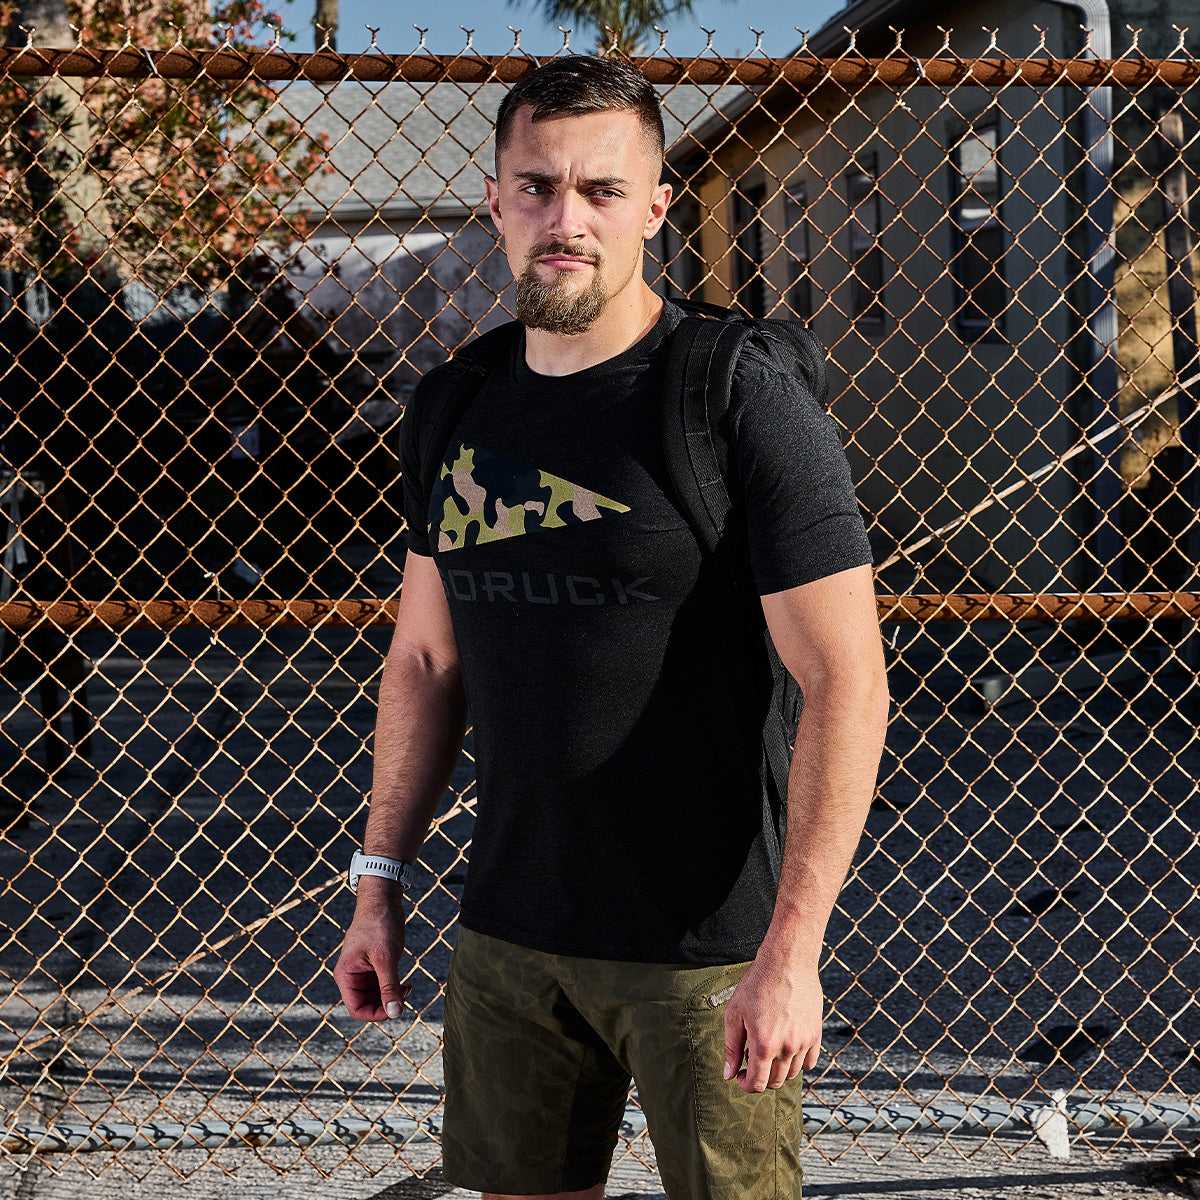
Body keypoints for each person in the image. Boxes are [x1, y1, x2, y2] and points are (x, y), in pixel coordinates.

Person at [334, 54, 889, 1200]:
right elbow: (426, 660)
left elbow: (846, 679)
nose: (564, 218)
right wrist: (378, 886)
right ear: (493, 201)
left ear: (653, 205)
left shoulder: (731, 392)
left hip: (706, 954)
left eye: (599, 189)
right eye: (535, 187)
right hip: (510, 937)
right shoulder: (458, 403)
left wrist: (794, 951)